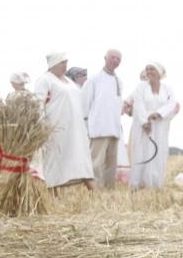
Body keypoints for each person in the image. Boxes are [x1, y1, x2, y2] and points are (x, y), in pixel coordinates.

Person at [32, 51, 95, 192]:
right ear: (53, 64)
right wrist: (41, 127)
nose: (65, 66)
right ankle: (53, 192)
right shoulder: (45, 80)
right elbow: (38, 105)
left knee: (80, 157)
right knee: (56, 159)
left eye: (66, 62)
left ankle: (92, 187)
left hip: (75, 128)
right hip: (56, 128)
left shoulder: (69, 82)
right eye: (61, 63)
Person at [129, 62, 177, 190]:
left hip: (160, 124)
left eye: (152, 69)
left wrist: (159, 113)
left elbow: (172, 104)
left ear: (159, 72)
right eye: (147, 69)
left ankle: (154, 184)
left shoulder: (167, 89)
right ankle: (138, 184)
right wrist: (145, 122)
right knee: (142, 151)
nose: (149, 72)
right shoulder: (141, 87)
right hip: (142, 124)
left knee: (158, 151)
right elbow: (138, 105)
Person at [81, 49, 124, 188]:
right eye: (112, 57)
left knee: (111, 165)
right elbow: (84, 104)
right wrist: (87, 126)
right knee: (96, 163)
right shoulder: (94, 79)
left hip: (114, 129)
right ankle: (94, 191)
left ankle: (108, 191)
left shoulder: (119, 81)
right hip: (98, 128)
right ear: (105, 58)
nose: (115, 61)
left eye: (118, 59)